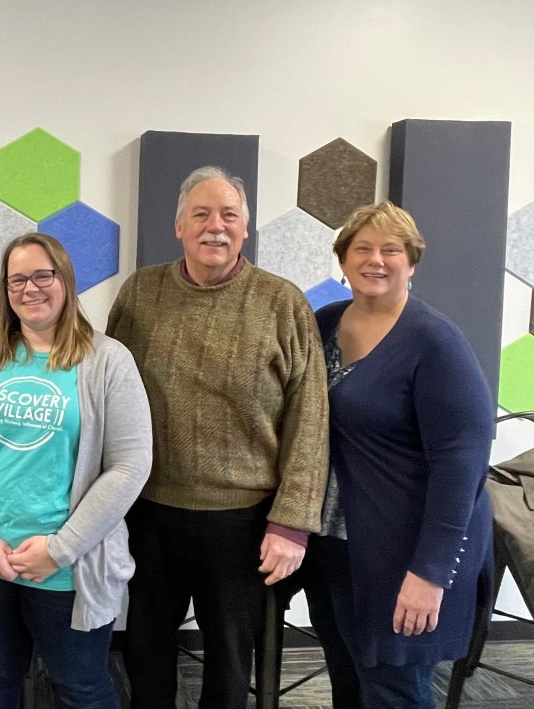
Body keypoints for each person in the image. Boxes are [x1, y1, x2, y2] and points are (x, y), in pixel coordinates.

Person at [105, 165, 329, 709]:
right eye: (201, 214)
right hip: (149, 510)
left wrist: (292, 523)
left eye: (229, 215)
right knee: (145, 648)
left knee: (229, 658)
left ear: (246, 228)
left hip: (242, 521)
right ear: (179, 226)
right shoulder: (140, 293)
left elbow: (310, 420)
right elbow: (107, 391)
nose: (216, 226)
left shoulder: (283, 303)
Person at [0, 232, 152, 708]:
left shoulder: (108, 361)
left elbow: (130, 465)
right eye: (17, 280)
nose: (30, 288)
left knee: (81, 689)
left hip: (68, 568)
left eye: (42, 275)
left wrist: (60, 549)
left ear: (65, 280)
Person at [309, 202, 493, 709]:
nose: (376, 260)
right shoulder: (324, 324)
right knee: (350, 682)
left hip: (406, 552)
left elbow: (461, 467)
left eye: (392, 250)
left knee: (394, 692)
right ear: (343, 260)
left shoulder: (436, 342)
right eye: (362, 249)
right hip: (338, 544)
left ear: (412, 262)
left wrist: (430, 573)